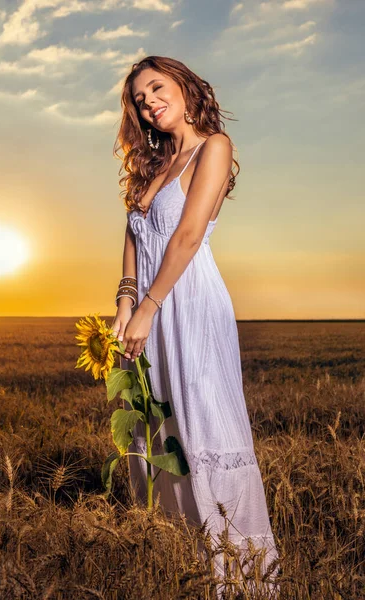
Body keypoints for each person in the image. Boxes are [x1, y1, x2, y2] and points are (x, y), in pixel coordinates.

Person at [111, 56, 279, 594]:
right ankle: (180, 571)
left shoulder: (214, 147)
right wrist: (125, 299)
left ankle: (243, 579)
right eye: (139, 98)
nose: (148, 102)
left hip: (189, 304)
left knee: (206, 426)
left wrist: (148, 306)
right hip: (151, 308)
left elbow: (185, 236)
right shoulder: (152, 163)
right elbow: (136, 236)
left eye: (156, 88)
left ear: (183, 87)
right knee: (160, 433)